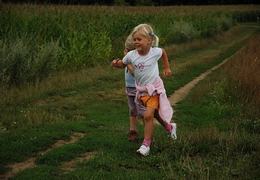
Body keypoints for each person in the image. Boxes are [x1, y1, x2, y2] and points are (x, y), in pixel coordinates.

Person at [112, 23, 177, 156]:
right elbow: (123, 64)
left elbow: (163, 52)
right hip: (141, 91)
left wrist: (166, 68)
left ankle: (146, 145)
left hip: (154, 89)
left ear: (149, 41)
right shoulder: (131, 55)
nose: (136, 41)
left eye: (139, 39)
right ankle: (170, 127)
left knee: (147, 116)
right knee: (154, 114)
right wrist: (116, 63)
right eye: (135, 39)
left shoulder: (154, 52)